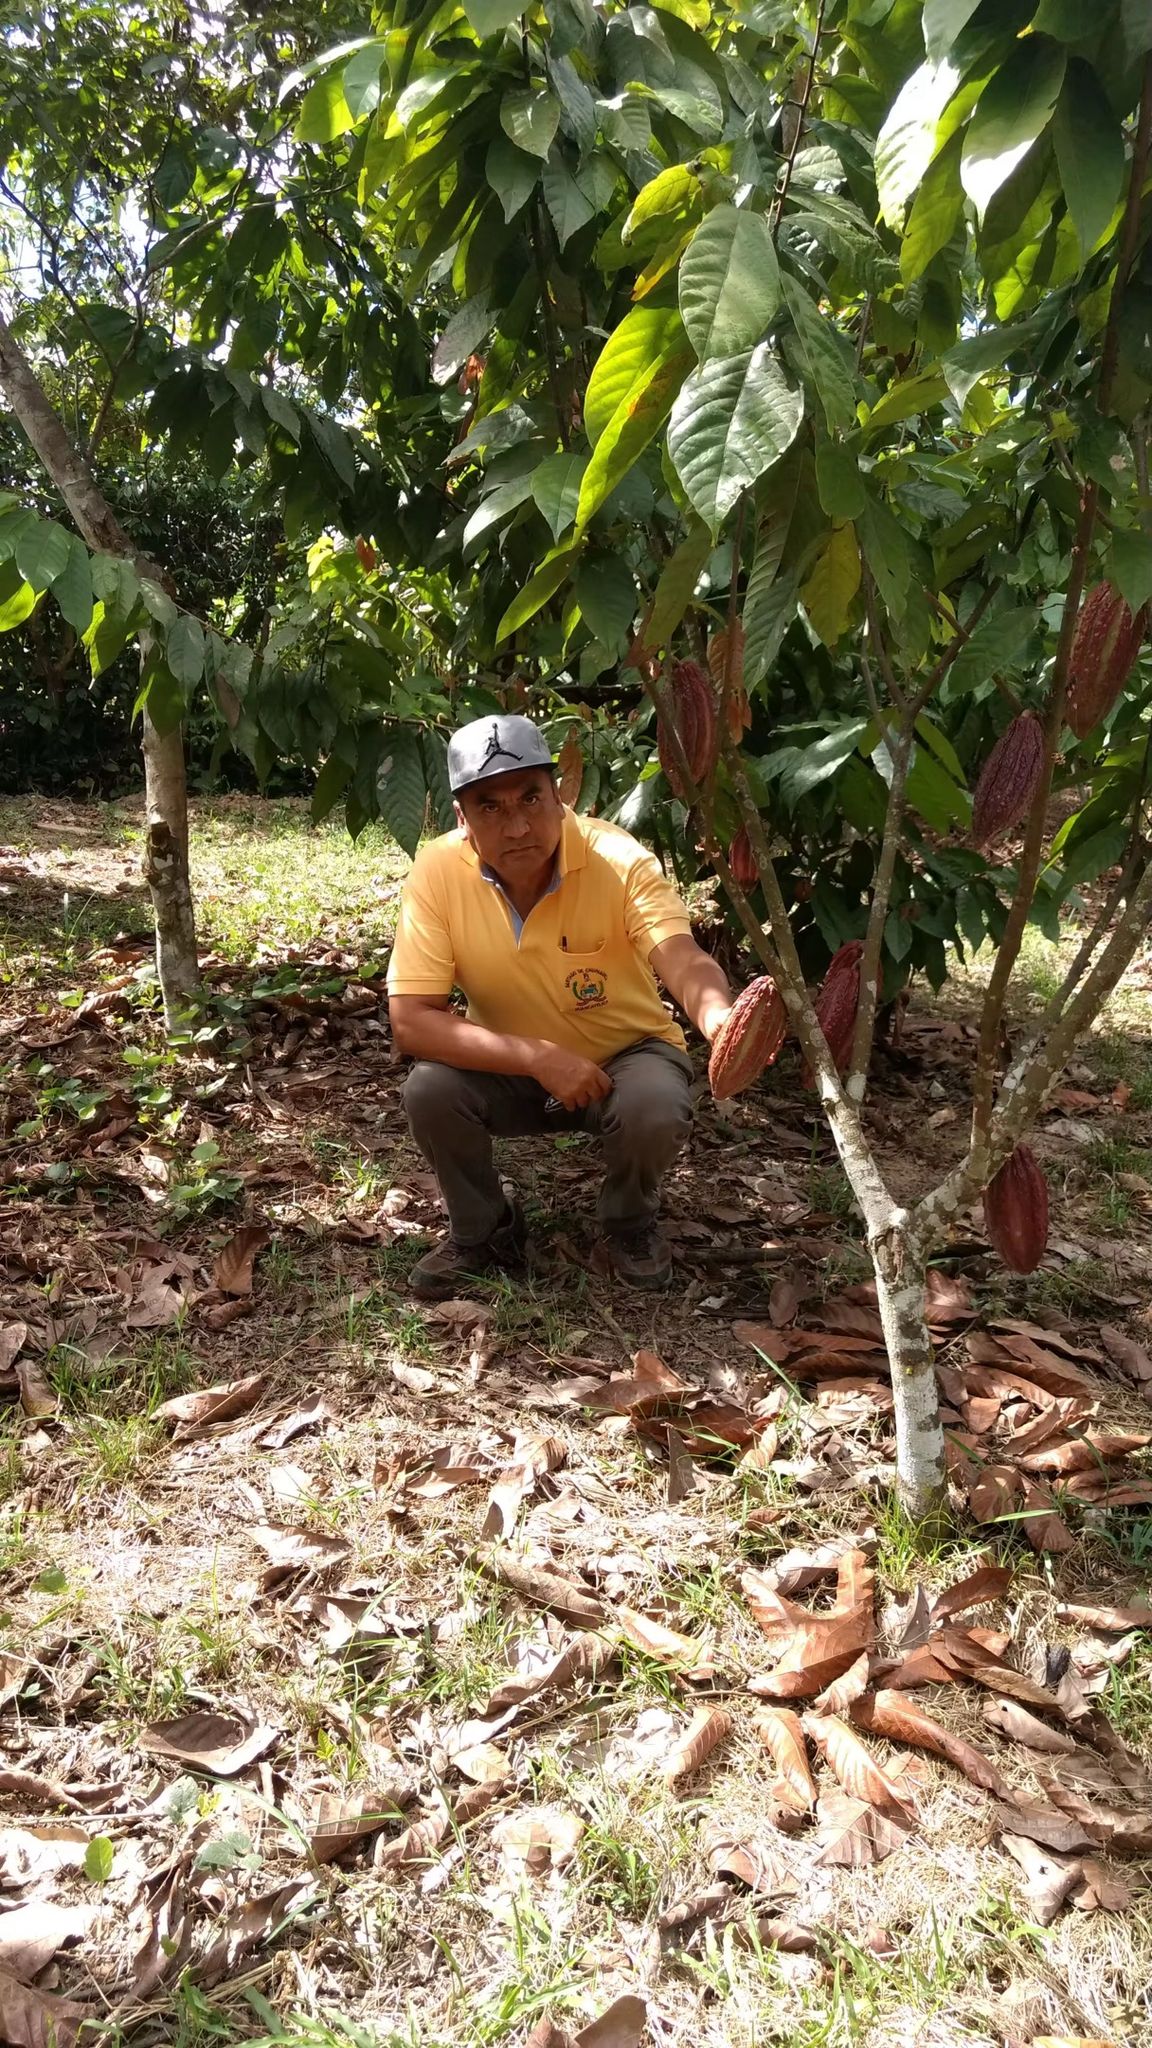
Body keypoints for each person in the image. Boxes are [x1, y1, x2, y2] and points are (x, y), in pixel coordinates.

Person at [386, 712, 736, 1298]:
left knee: (655, 1104)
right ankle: (484, 1229)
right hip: (512, 1066)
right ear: (461, 819)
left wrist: (722, 1019)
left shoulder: (616, 857)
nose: (517, 825)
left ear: (560, 794)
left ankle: (630, 1222)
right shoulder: (438, 872)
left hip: (626, 1056)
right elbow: (411, 1022)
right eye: (490, 808)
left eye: (530, 798)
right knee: (429, 1090)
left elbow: (679, 953)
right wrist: (537, 1057)